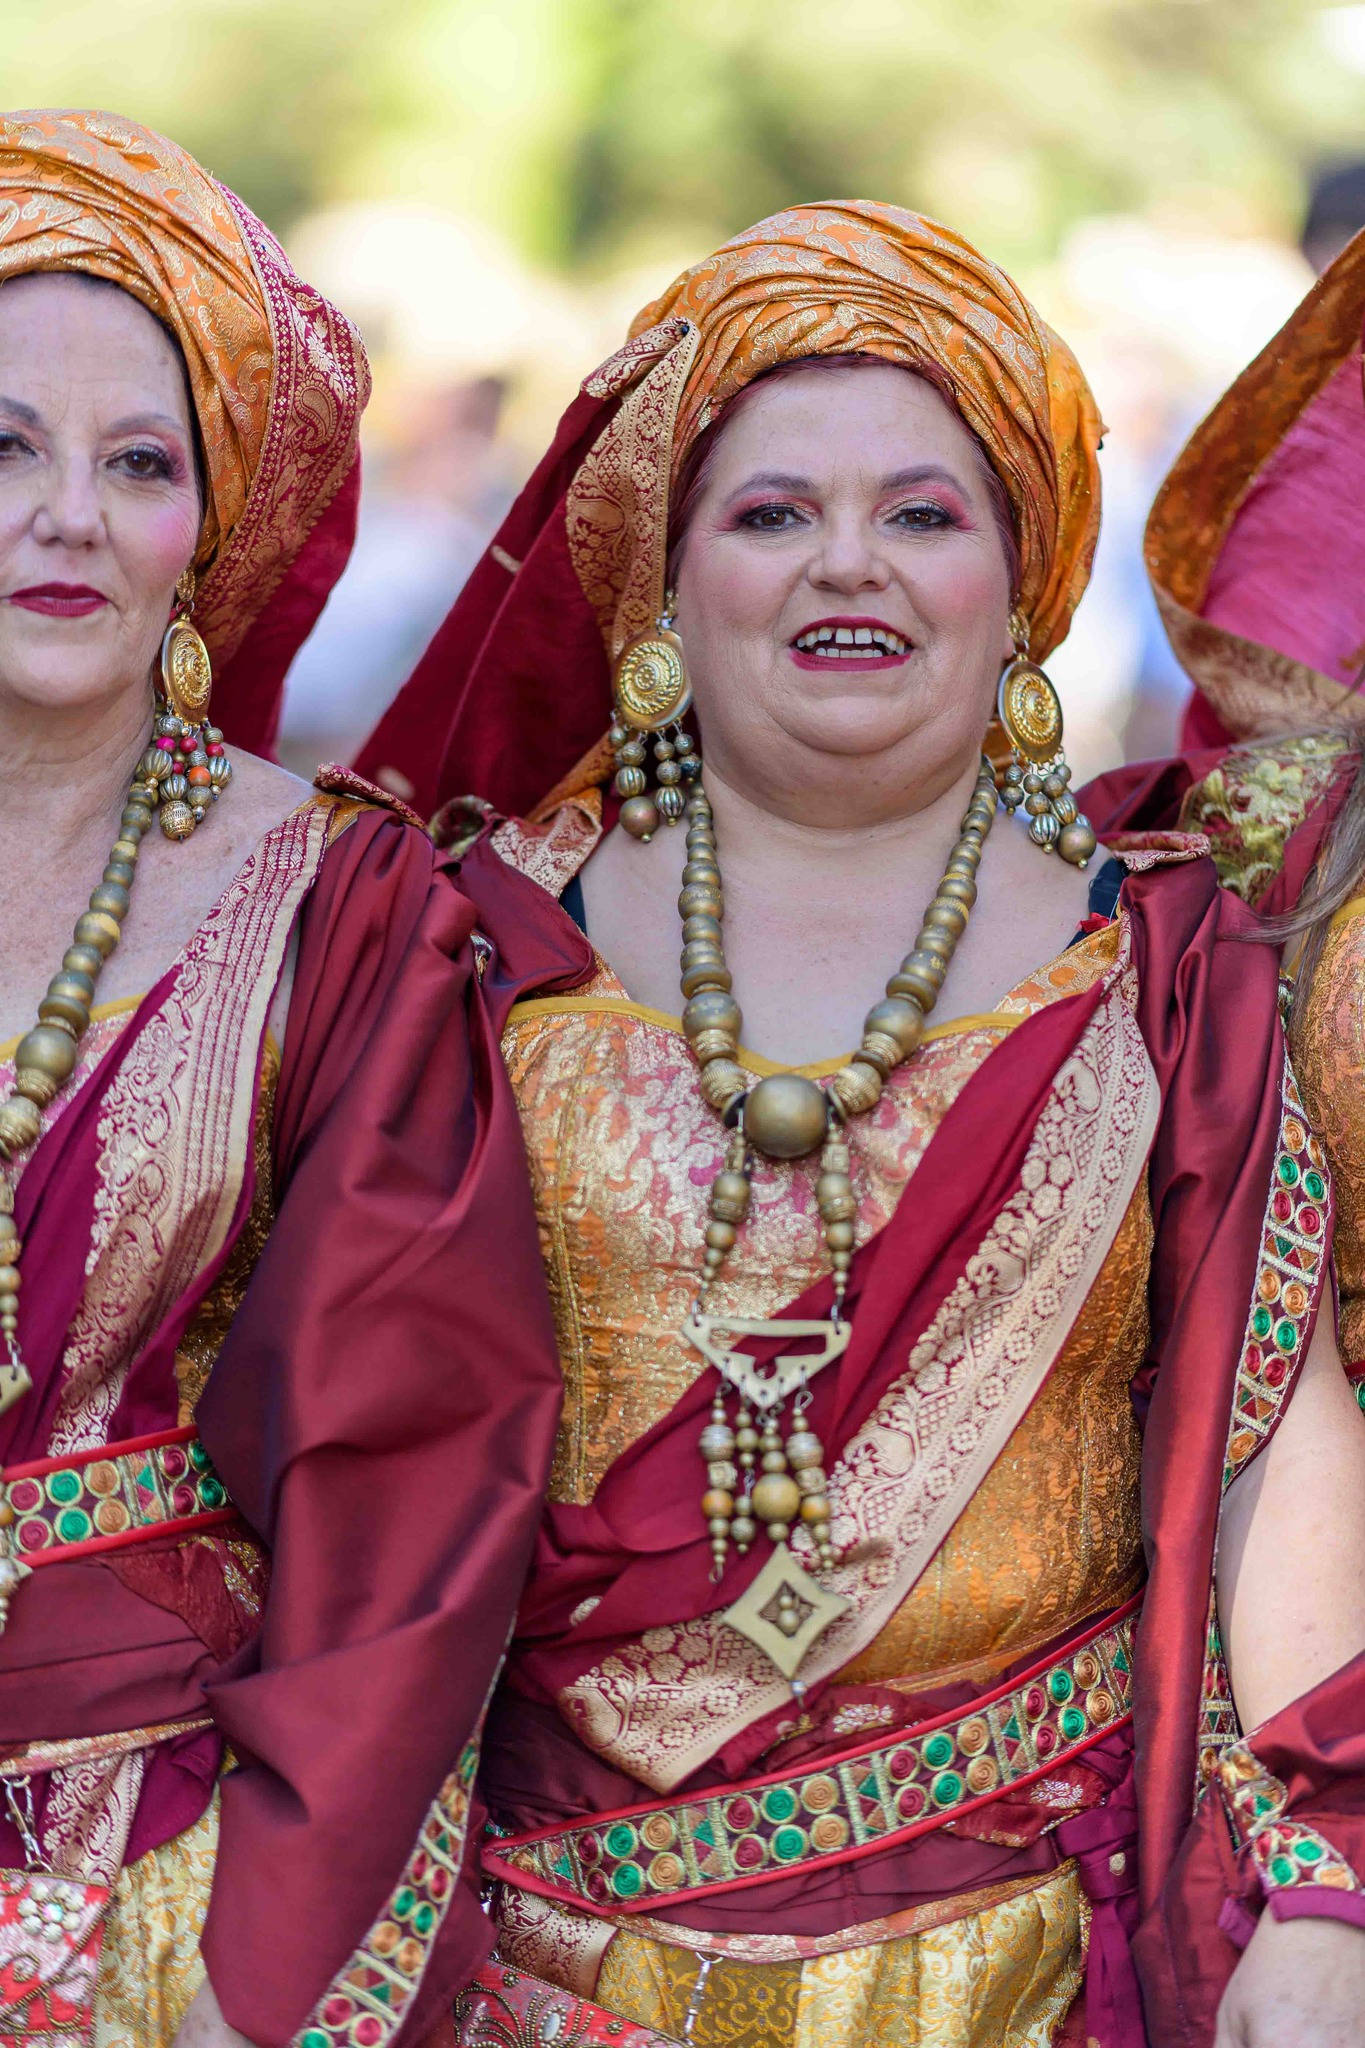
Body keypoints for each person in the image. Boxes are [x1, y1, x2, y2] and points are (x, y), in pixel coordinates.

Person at [359, 204, 1365, 2047]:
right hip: (523, 1966)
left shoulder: (1164, 964)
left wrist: (1322, 1884)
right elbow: (331, 1470)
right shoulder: (463, 953)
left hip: (1037, 1959)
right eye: (770, 514)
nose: (850, 564)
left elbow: (1269, 1441)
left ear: (1021, 582)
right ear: (662, 586)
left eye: (922, 514)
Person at [0, 111, 560, 2048]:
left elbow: (408, 1456)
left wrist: (269, 1951)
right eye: (4, 446)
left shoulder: (344, 905)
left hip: (153, 1840)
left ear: (217, 521)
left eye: (139, 462)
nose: (65, 514)